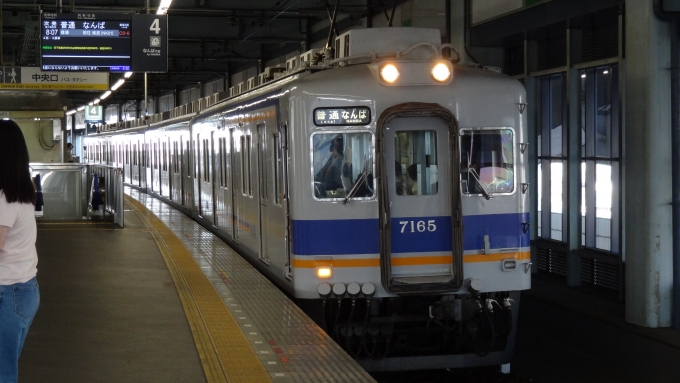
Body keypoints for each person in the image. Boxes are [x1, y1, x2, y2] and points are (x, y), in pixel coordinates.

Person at [0, 120, 40, 382]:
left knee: (3, 372)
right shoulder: (22, 191)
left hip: (8, 294)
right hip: (23, 289)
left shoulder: (4, 198)